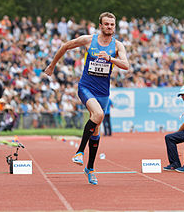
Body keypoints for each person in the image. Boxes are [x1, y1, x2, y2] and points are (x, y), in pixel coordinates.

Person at [44, 12, 129, 185]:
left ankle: (90, 168)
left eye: (112, 25)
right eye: (106, 24)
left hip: (103, 92)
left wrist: (111, 58)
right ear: (100, 25)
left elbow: (126, 65)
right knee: (98, 115)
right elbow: (66, 46)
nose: (109, 27)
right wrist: (52, 66)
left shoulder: (118, 45)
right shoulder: (88, 40)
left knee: (96, 130)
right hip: (86, 87)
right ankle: (79, 152)